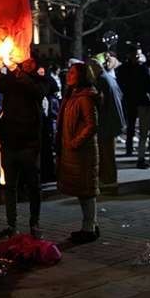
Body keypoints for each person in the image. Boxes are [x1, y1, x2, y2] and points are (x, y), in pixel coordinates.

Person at [0, 58, 47, 238]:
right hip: (10, 142)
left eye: (31, 62)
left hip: (29, 143)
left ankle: (34, 222)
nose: (27, 64)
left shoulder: (39, 80)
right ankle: (11, 224)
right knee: (10, 187)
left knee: (33, 186)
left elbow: (37, 92)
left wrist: (17, 71)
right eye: (25, 62)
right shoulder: (14, 79)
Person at [56, 63, 100, 243]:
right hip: (74, 151)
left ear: (81, 76)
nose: (69, 75)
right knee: (83, 190)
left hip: (84, 152)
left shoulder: (85, 97)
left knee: (86, 190)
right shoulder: (72, 95)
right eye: (69, 72)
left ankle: (89, 228)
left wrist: (75, 142)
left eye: (73, 73)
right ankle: (89, 226)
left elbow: (92, 125)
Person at [88, 59, 125, 193]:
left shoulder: (101, 81)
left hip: (107, 123)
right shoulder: (109, 77)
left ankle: (109, 181)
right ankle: (109, 180)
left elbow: (101, 103)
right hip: (114, 121)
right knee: (109, 153)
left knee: (106, 154)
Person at [116, 47, 143, 156]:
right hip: (129, 99)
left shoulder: (142, 67)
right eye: (136, 54)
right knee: (131, 125)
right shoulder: (123, 68)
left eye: (139, 55)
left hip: (140, 98)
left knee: (142, 125)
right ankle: (129, 147)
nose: (138, 57)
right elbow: (120, 83)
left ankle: (141, 147)